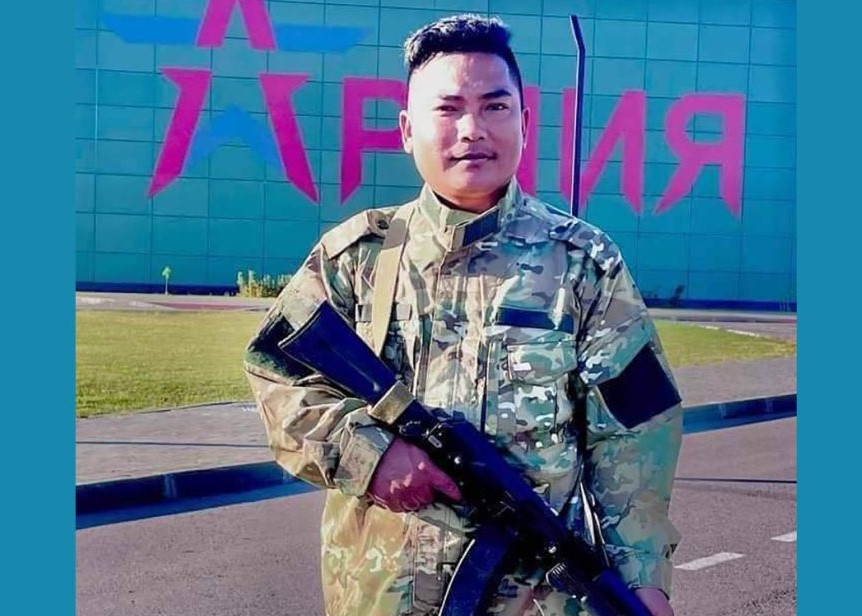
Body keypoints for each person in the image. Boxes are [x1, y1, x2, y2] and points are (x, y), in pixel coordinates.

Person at [243, 14, 683, 616]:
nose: (472, 129)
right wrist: (372, 455)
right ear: (407, 129)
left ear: (525, 122)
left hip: (538, 597)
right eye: (448, 109)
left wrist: (643, 579)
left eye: (495, 106)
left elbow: (634, 437)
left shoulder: (584, 264)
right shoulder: (357, 258)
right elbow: (277, 376)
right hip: (381, 594)